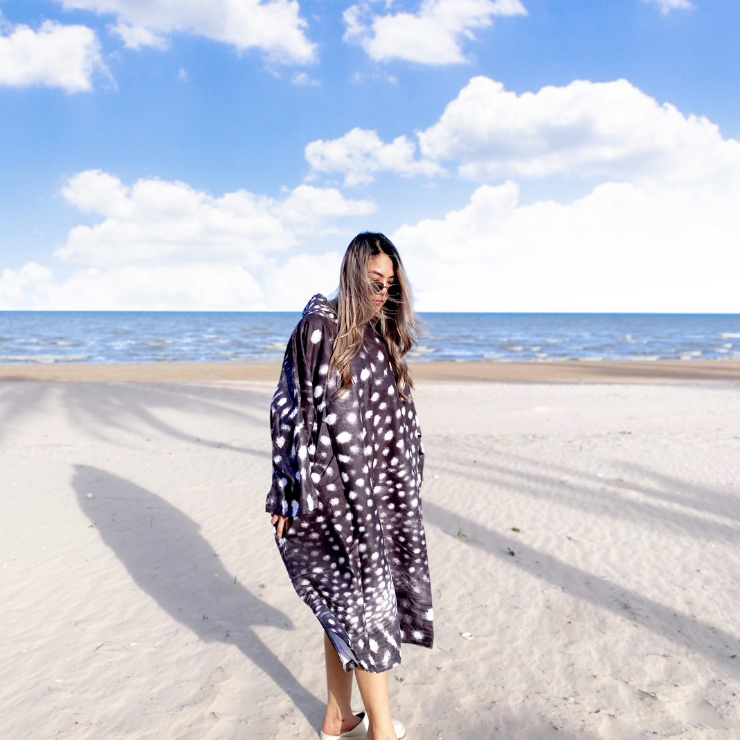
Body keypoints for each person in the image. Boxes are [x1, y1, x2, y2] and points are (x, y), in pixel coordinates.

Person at [266, 232, 434, 740]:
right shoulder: (320, 327)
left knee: (343, 607)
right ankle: (381, 730)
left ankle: (338, 717)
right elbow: (290, 409)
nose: (383, 294)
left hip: (377, 496)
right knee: (367, 608)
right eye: (374, 282)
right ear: (352, 274)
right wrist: (286, 490)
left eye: (391, 285)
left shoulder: (377, 335)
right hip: (334, 497)